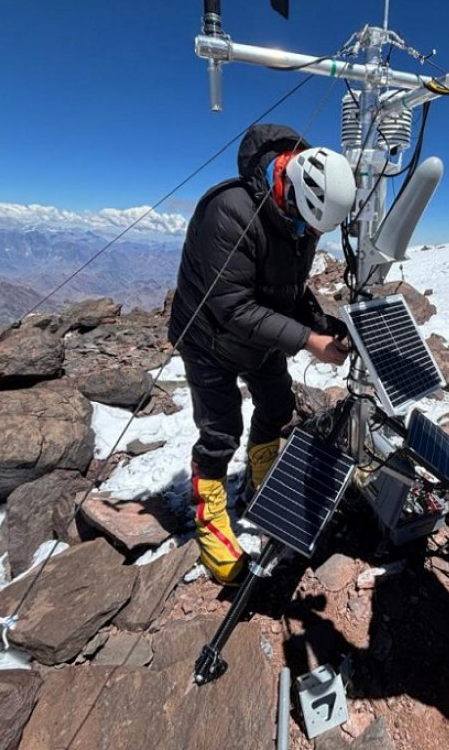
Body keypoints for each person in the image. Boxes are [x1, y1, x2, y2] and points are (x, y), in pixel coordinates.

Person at [167, 123, 357, 584]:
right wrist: (307, 341)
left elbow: (289, 288)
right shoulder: (228, 211)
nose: (305, 234)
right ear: (290, 192)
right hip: (209, 339)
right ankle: (211, 519)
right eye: (303, 224)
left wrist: (323, 323)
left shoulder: (303, 216)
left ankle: (261, 473)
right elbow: (232, 306)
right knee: (219, 431)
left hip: (260, 335)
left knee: (276, 405)